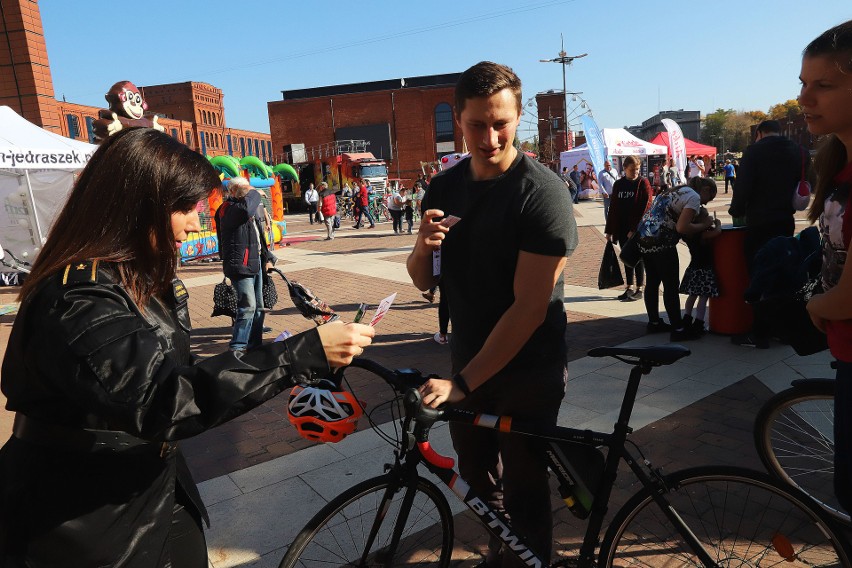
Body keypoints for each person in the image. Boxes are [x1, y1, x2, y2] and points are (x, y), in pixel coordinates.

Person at [0, 128, 376, 567]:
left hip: (150, 487)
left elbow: (180, 376)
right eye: (184, 208)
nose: (196, 223)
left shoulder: (138, 279)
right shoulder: (78, 297)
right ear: (137, 204)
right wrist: (299, 355)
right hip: (80, 512)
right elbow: (159, 398)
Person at [408, 61, 577, 568]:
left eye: (501, 122)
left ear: (519, 118)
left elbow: (529, 309)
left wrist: (461, 382)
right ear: (458, 120)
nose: (489, 136)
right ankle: (503, 552)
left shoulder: (542, 194)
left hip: (527, 369)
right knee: (477, 480)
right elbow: (424, 280)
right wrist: (421, 248)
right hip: (468, 360)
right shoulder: (444, 188)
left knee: (527, 488)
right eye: (477, 123)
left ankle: (526, 558)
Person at [801, 18, 852, 515]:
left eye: (824, 85)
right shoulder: (837, 162)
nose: (804, 99)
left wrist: (818, 304)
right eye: (803, 84)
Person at [729, 119, 810, 347]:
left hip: (759, 221)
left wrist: (737, 210)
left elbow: (743, 187)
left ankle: (759, 331)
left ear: (759, 133)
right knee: (783, 272)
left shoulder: (754, 152)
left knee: (759, 274)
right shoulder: (800, 152)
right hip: (785, 220)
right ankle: (782, 330)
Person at [640, 176, 718, 341]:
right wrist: (704, 225)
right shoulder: (694, 197)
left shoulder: (678, 189)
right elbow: (682, 227)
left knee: (653, 282)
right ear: (705, 190)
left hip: (645, 236)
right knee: (670, 286)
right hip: (662, 241)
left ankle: (654, 322)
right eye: (709, 199)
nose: (705, 204)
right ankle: (679, 329)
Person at [217, 177, 273, 352]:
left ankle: (254, 345)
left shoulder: (246, 208)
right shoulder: (228, 208)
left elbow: (258, 236)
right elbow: (245, 210)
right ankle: (238, 347)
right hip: (240, 264)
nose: (248, 191)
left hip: (254, 262)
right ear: (233, 191)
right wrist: (255, 192)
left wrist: (267, 258)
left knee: (258, 308)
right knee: (247, 307)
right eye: (245, 189)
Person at [604, 155, 652, 302]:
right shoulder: (619, 184)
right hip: (621, 228)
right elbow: (614, 208)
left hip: (637, 229)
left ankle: (640, 288)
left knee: (638, 258)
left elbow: (646, 207)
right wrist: (609, 230)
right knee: (626, 257)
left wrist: (635, 228)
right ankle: (629, 287)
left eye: (637, 169)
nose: (635, 172)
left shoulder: (643, 183)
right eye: (632, 170)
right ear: (624, 169)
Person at [679, 205, 722, 337]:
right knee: (703, 298)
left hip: (693, 268)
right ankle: (699, 322)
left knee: (692, 296)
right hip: (704, 271)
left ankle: (686, 318)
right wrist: (718, 223)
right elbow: (718, 232)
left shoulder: (690, 234)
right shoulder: (703, 234)